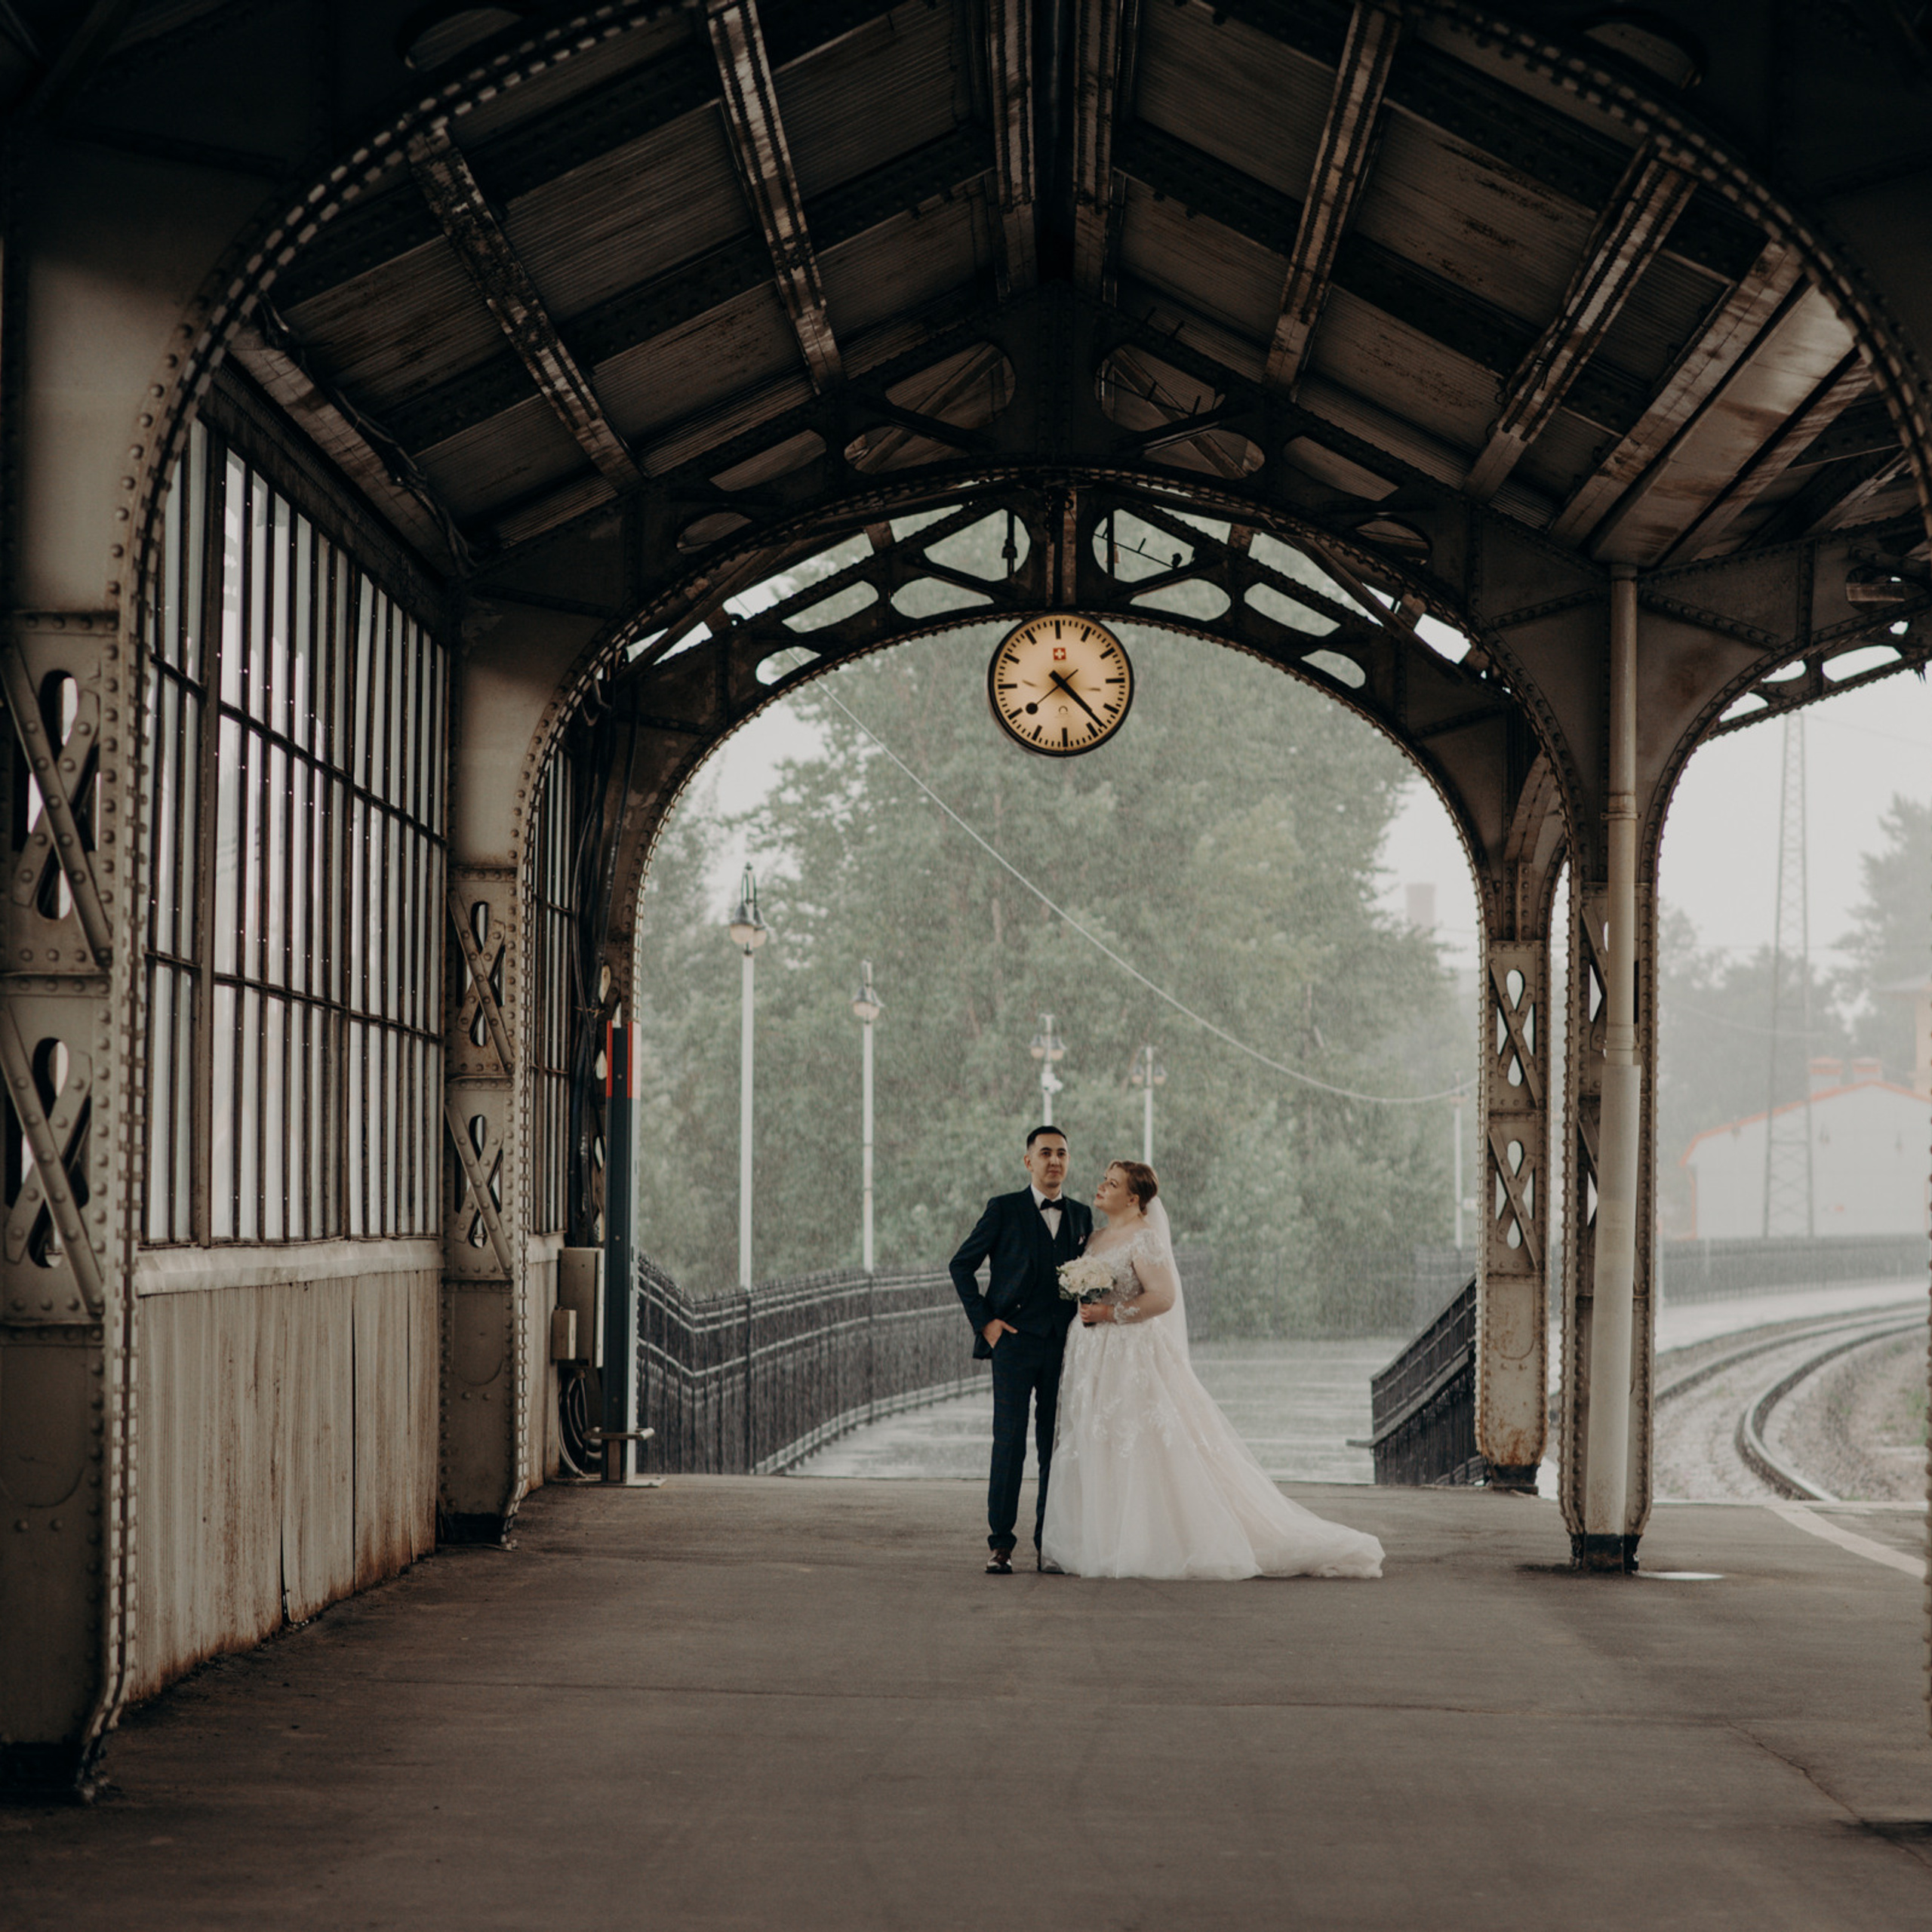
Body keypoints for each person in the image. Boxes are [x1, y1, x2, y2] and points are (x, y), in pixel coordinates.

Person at [1041, 1160, 1383, 1581]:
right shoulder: (1094, 1238)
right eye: (1104, 1181)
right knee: (1102, 1439)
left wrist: (1110, 1312)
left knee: (1142, 1441)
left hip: (1131, 1353)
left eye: (1112, 1184)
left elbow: (1163, 1297)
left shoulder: (1144, 1239)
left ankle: (1153, 1541)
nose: (1101, 1188)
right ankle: (1104, 1537)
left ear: (1133, 1198)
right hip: (1095, 1355)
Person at [949, 1125, 1094, 1574]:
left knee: (1055, 1446)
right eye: (1046, 1153)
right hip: (1012, 1345)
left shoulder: (1082, 1216)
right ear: (1028, 1161)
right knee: (1009, 1444)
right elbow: (961, 1265)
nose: (1055, 1161)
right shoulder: (1004, 1209)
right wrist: (986, 1323)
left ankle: (1048, 1544)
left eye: (1062, 1154)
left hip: (1062, 1347)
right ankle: (1000, 1545)